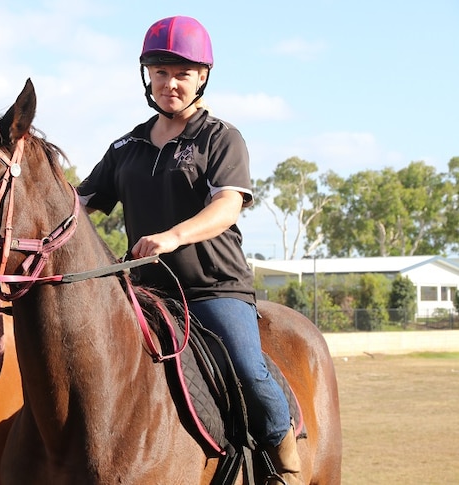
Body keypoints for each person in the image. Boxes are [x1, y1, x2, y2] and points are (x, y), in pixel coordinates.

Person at [76, 15, 302, 485]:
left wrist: (173, 235)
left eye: (181, 73)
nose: (169, 83)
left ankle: (282, 452)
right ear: (147, 77)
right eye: (160, 72)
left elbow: (227, 205)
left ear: (202, 77)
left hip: (212, 289)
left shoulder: (221, 138)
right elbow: (79, 206)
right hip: (145, 291)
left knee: (245, 365)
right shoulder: (127, 146)